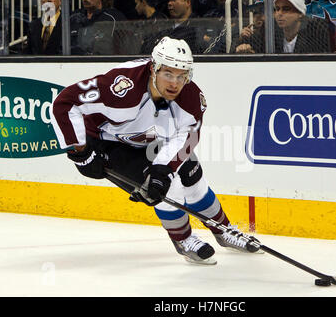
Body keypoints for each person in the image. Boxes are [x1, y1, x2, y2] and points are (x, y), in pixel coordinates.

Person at [50, 37, 260, 265]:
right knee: (164, 191)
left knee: (191, 175)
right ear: (153, 68)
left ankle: (223, 230)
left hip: (149, 138)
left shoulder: (190, 99)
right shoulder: (120, 87)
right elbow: (64, 103)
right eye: (168, 74)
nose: (175, 83)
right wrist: (81, 153)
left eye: (182, 75)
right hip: (106, 141)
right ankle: (184, 239)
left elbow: (186, 137)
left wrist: (163, 169)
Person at [234, 0, 332, 53]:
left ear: (300, 14)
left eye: (286, 9)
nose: (279, 13)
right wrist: (241, 45)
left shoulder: (315, 31)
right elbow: (245, 45)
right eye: (277, 9)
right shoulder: (269, 29)